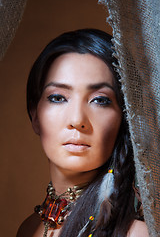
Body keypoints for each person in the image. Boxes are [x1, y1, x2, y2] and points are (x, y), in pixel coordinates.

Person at [17, 29, 149, 237]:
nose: (77, 120)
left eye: (100, 100)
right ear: (35, 116)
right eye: (58, 97)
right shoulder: (28, 229)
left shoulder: (137, 234)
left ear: (124, 118)